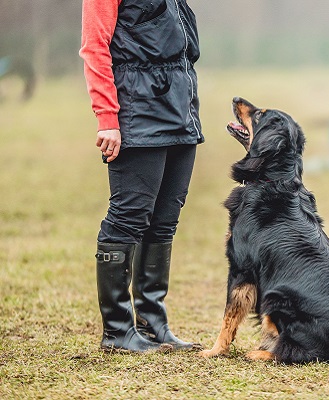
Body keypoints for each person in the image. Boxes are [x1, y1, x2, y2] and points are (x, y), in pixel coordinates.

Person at [79, 0, 203, 352]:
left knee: (165, 222)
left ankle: (153, 325)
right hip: (137, 111)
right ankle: (118, 331)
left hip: (181, 108)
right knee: (128, 217)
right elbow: (94, 45)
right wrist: (108, 118)